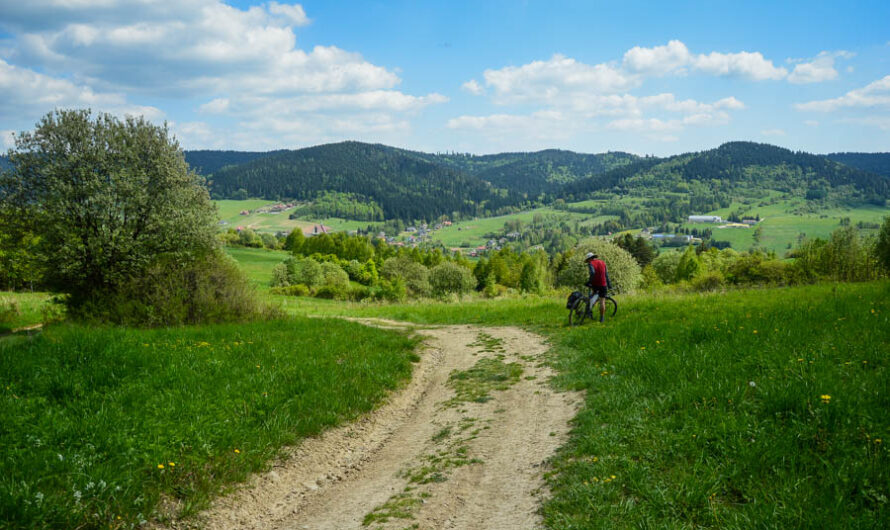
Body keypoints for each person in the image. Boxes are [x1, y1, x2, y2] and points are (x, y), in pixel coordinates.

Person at [584, 252, 611, 322]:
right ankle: (602, 318)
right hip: (603, 284)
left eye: (587, 261)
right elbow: (606, 275)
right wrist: (609, 285)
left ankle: (589, 312)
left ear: (589, 259)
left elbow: (592, 273)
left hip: (595, 284)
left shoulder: (591, 263)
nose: (587, 262)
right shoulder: (603, 263)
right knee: (602, 301)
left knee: (592, 296)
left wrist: (589, 282)